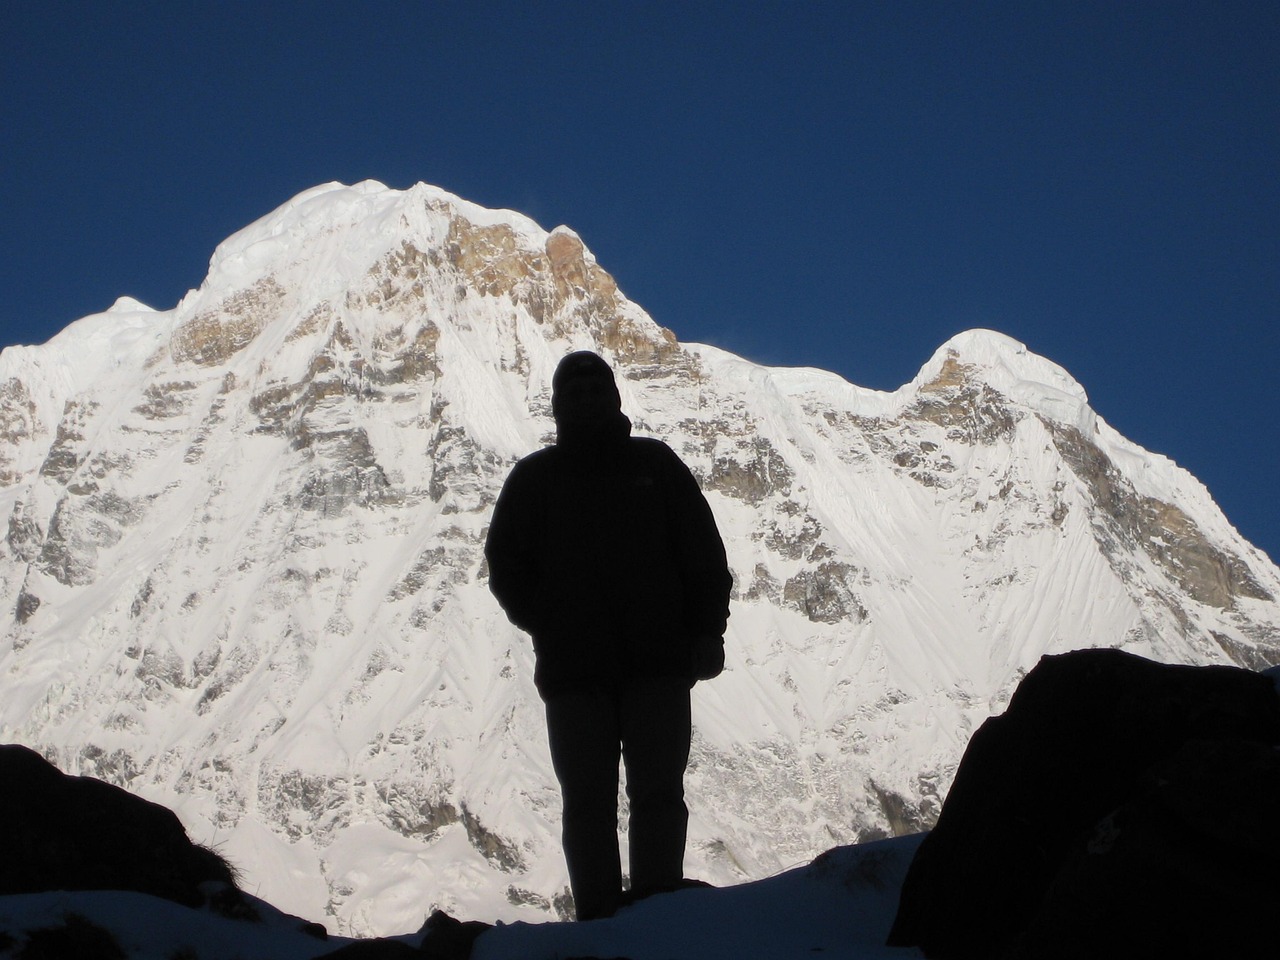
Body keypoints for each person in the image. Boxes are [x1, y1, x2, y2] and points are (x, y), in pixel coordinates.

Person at [484, 350, 732, 921]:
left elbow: (703, 555)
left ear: (616, 399)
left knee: (659, 794)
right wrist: (547, 619)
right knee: (588, 804)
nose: (588, 400)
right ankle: (598, 919)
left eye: (598, 390)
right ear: (558, 405)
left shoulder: (658, 466)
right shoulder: (535, 480)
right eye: (577, 392)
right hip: (576, 675)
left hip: (657, 666)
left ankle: (656, 912)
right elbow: (505, 564)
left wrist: (707, 631)